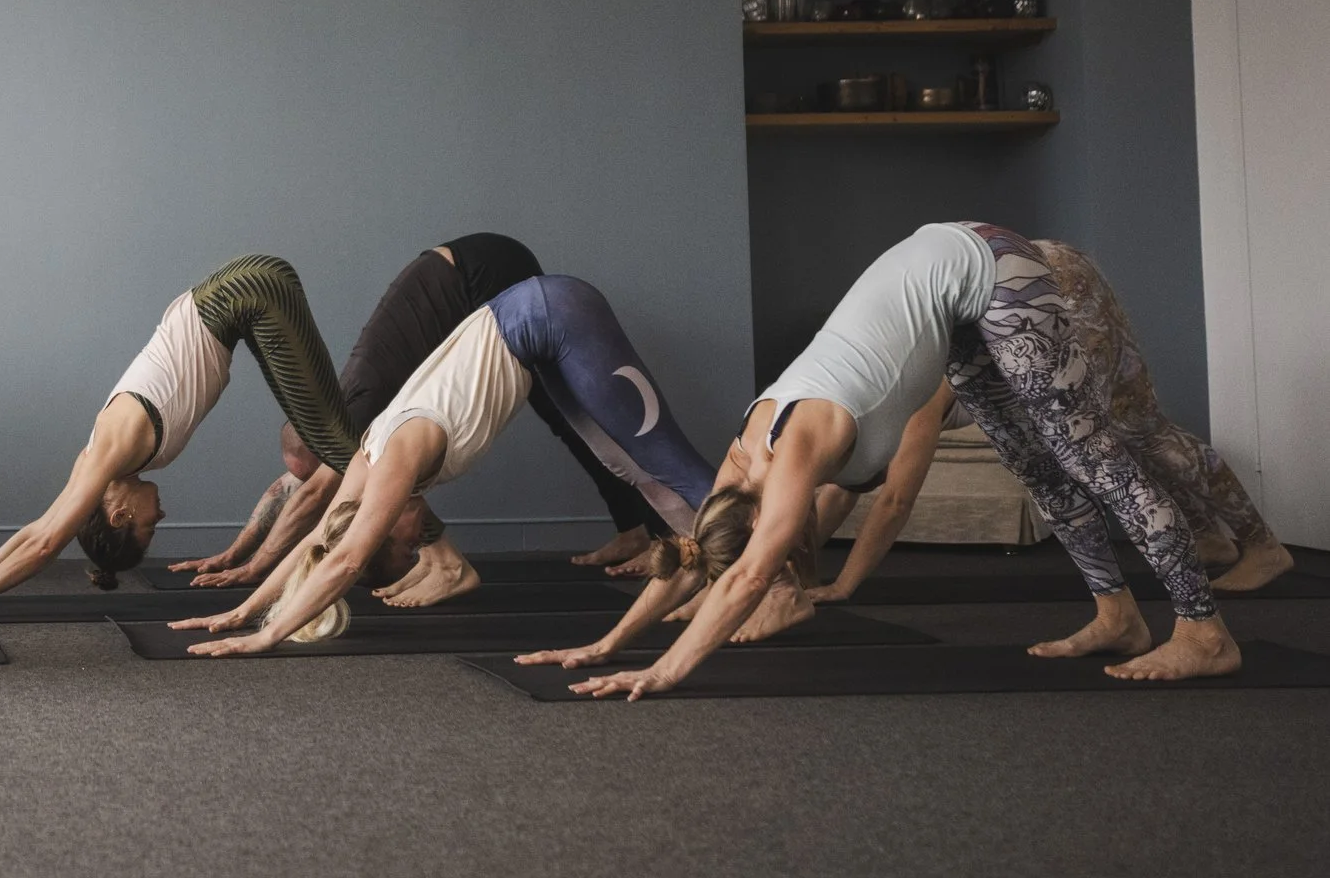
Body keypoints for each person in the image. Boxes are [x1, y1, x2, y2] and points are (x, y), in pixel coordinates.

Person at [526, 224, 1270, 699]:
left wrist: (662, 671)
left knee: (1093, 459)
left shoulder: (791, 450)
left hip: (989, 266)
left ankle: (1205, 630)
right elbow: (692, 556)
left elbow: (749, 574)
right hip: (948, 307)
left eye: (781, 547)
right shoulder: (737, 467)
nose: (784, 557)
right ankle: (1119, 615)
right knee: (1039, 471)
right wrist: (605, 644)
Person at [167, 274, 720, 656]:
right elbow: (321, 549)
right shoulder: (369, 458)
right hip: (536, 331)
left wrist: (265, 637)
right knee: (625, 466)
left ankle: (773, 580)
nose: (418, 543)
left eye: (405, 550)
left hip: (551, 311)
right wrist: (243, 612)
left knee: (663, 460)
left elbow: (343, 560)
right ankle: (726, 565)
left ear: (382, 528)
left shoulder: (391, 462)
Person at [0, 254, 381, 623]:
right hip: (244, 300)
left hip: (247, 295)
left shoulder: (110, 452)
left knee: (348, 457)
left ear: (120, 516)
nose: (160, 516)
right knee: (328, 452)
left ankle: (433, 550)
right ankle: (410, 529)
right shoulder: (96, 459)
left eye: (149, 527)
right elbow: (35, 529)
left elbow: (44, 547)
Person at [795, 236, 1288, 605]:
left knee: (1135, 425)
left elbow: (897, 500)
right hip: (1000, 293)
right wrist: (791, 574)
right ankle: (1205, 537)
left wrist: (842, 585)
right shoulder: (853, 425)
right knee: (1109, 435)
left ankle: (1262, 545)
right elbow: (840, 491)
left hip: (1046, 277)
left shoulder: (907, 403)